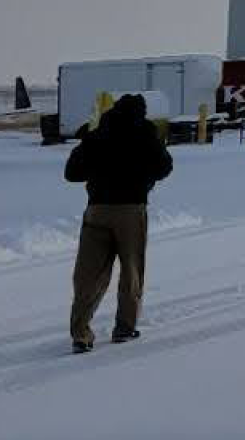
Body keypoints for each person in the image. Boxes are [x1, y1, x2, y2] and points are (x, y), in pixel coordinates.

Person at [65, 93, 173, 352]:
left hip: (97, 210)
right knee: (131, 271)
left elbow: (72, 173)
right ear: (140, 112)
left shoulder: (98, 132)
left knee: (89, 275)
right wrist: (143, 175)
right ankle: (124, 327)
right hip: (131, 210)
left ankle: (81, 333)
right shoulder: (145, 132)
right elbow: (164, 167)